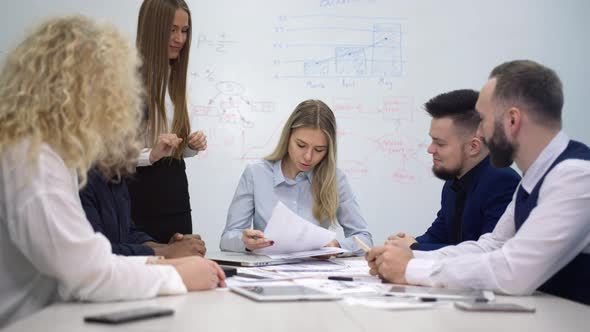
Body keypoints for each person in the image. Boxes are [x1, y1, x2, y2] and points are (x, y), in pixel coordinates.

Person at [0, 16, 224, 328]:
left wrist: (159, 259)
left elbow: (89, 256)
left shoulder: (45, 153)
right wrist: (173, 273)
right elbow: (86, 274)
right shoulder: (34, 161)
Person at [366, 60, 590, 305]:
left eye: (483, 119)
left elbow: (514, 271)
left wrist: (410, 269)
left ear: (512, 121)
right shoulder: (536, 177)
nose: (480, 133)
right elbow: (491, 247)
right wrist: (410, 257)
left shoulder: (576, 176)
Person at [220, 99, 373, 255]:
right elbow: (227, 238)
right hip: (268, 274)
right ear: (288, 138)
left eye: (319, 150)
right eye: (301, 145)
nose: (308, 157)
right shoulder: (256, 173)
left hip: (316, 275)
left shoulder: (335, 179)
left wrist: (336, 245)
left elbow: (364, 238)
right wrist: (245, 242)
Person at [388, 90, 520, 251]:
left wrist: (413, 248)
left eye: (440, 144)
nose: (430, 149)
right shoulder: (453, 182)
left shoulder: (502, 182)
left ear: (473, 147)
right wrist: (399, 246)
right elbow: (438, 235)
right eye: (432, 141)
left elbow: (487, 253)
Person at [127, 0, 207, 243]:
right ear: (153, 29)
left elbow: (175, 150)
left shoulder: (176, 79)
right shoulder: (127, 81)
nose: (180, 39)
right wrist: (151, 155)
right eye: (172, 30)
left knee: (183, 268)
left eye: (184, 31)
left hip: (175, 195)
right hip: (139, 195)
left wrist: (190, 146)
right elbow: (110, 156)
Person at [80, 167, 207, 258]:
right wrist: (166, 252)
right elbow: (96, 253)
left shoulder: (117, 178)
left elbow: (128, 233)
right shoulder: (81, 181)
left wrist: (168, 247)